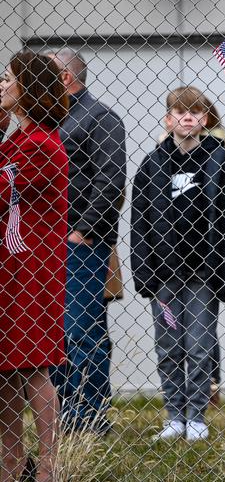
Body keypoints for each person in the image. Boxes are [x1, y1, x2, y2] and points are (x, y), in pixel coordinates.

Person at [130, 86, 225, 442]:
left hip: (203, 274)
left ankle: (196, 415)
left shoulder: (217, 161)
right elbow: (140, 222)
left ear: (205, 120)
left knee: (199, 345)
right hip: (165, 273)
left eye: (194, 112)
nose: (187, 117)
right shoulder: (152, 163)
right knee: (168, 346)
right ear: (169, 120)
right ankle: (174, 415)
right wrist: (143, 271)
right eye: (180, 111)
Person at [44, 48, 126, 435]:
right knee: (54, 333)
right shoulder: (48, 119)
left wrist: (82, 231)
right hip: (43, 246)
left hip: (82, 244)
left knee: (82, 329)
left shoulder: (100, 117)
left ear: (64, 77)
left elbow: (110, 180)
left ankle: (90, 417)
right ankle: (63, 417)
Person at [0, 50, 70, 482]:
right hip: (8, 272)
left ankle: (48, 466)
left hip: (32, 274)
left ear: (29, 87)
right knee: (5, 374)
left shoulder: (42, 144)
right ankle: (10, 468)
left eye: (8, 79)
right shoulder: (14, 140)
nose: (1, 86)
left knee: (33, 366)